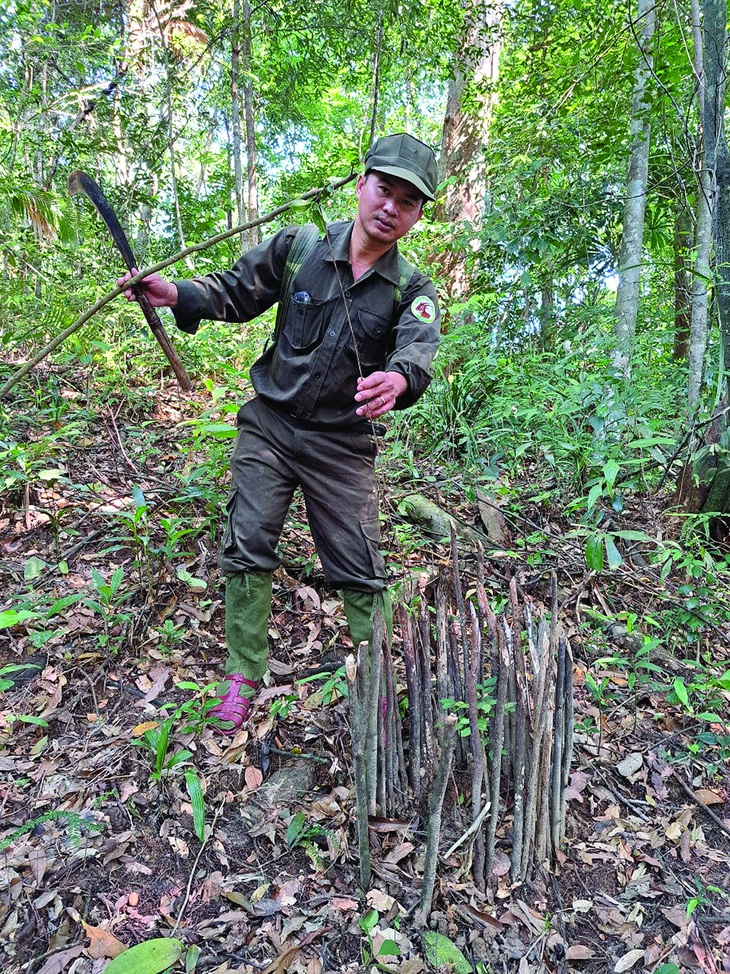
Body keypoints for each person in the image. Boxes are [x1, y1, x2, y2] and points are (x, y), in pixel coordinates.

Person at [118, 133, 441, 735]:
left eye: (408, 199)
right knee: (249, 538)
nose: (391, 206)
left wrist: (397, 382)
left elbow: (417, 352)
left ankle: (377, 682)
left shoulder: (412, 290)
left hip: (341, 447)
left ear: (419, 213)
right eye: (383, 188)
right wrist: (176, 293)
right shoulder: (301, 247)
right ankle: (243, 672)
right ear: (361, 184)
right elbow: (235, 292)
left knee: (361, 566)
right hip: (269, 425)